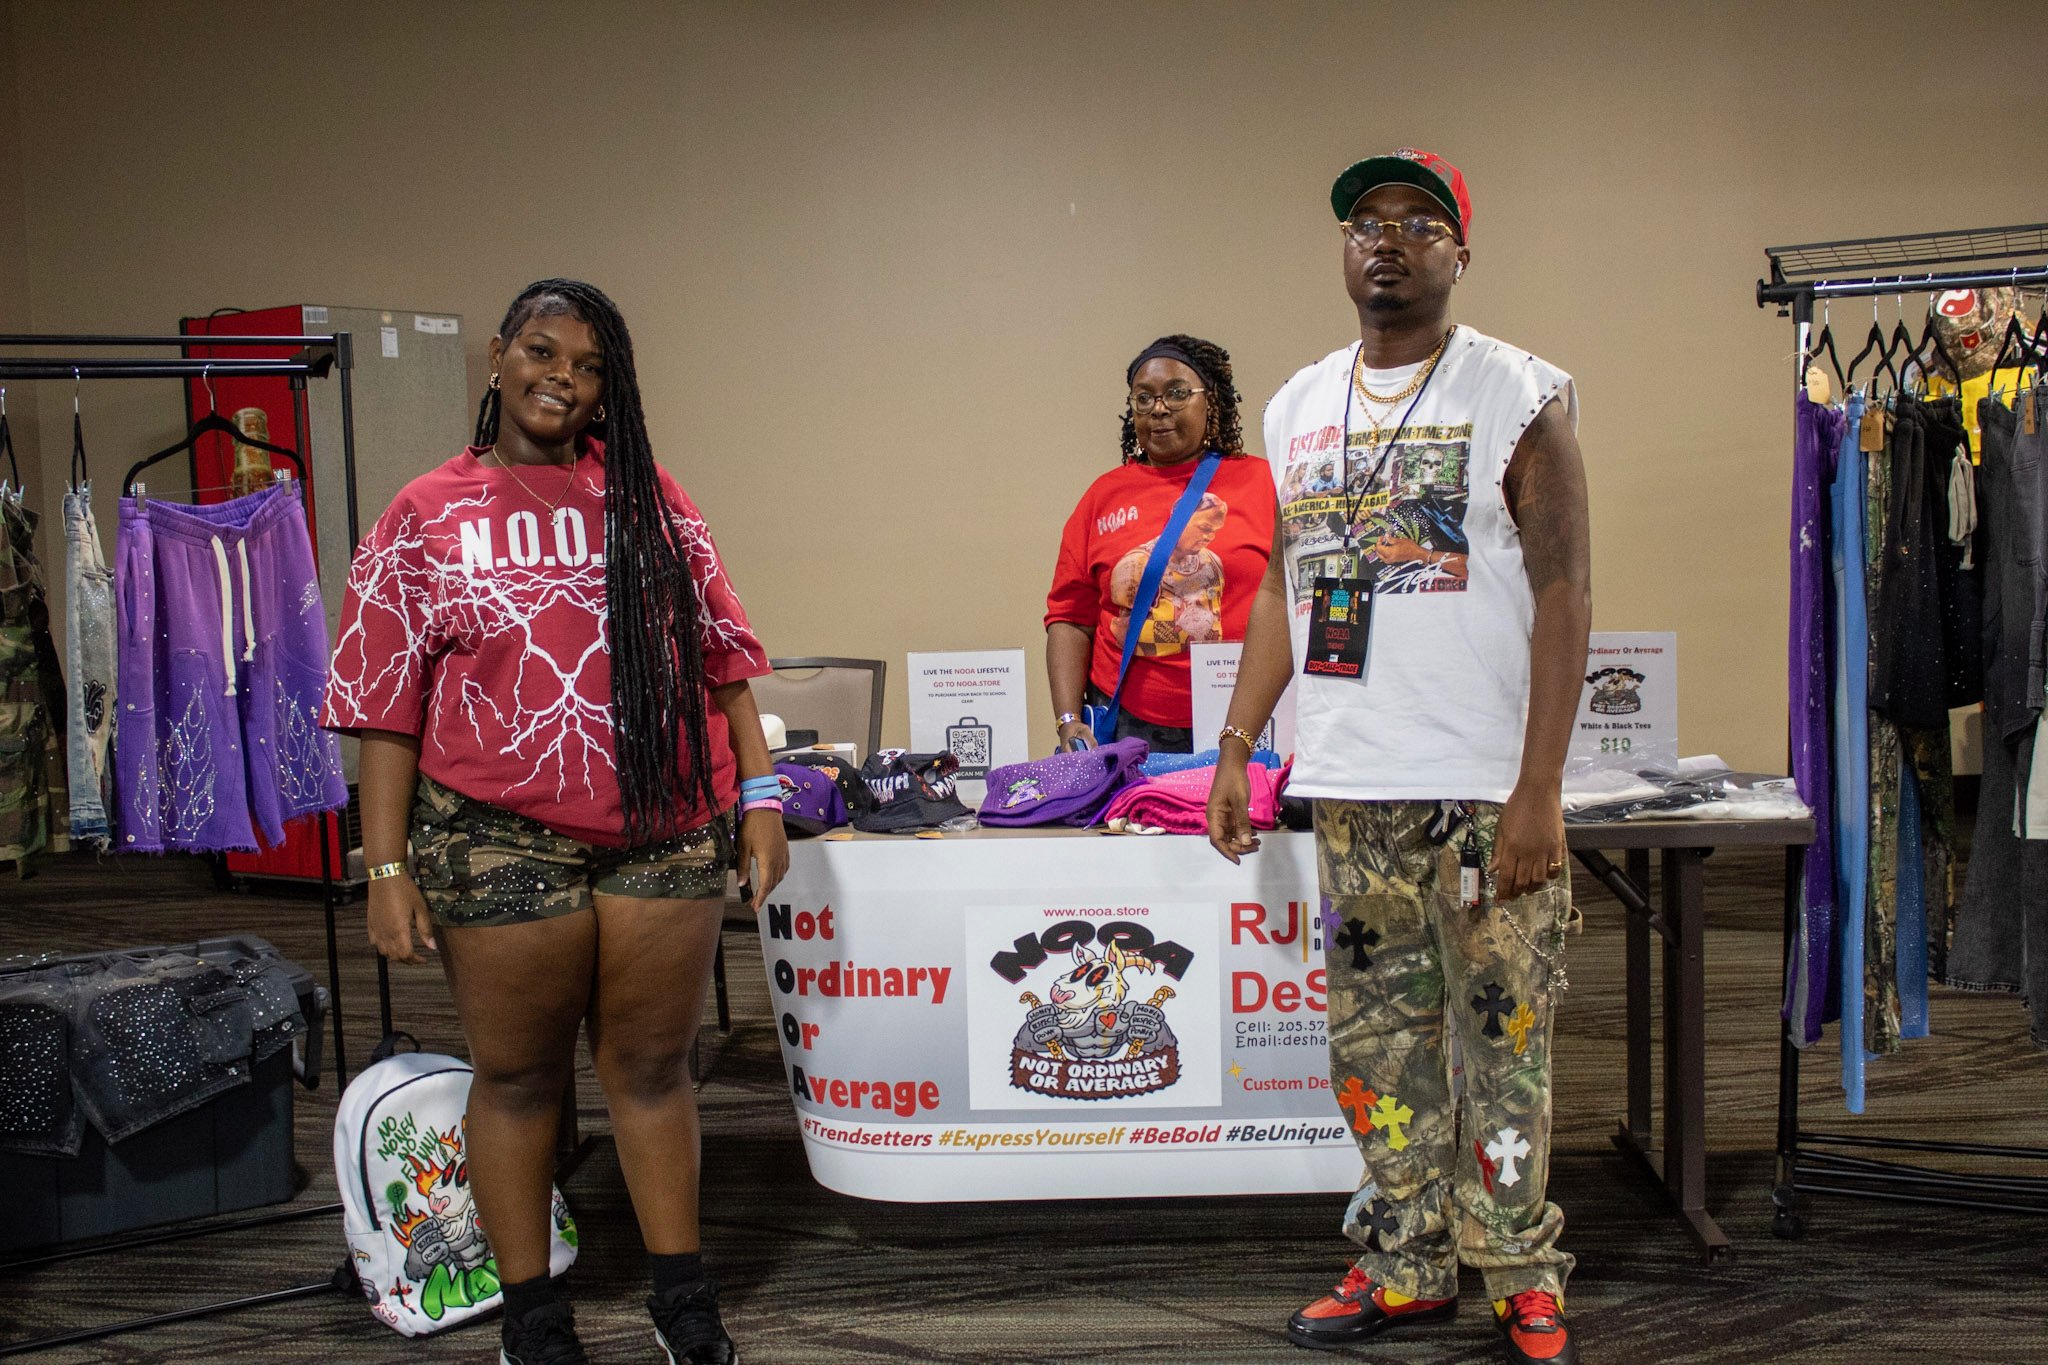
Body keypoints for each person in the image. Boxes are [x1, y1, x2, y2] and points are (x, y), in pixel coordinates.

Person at [323, 279, 787, 1365]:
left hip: (664, 823)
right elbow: (386, 708)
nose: (560, 378)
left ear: (606, 391)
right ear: (498, 357)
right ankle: (531, 1319)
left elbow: (723, 657)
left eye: (587, 367)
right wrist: (384, 866)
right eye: (540, 352)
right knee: (521, 1076)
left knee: (650, 1070)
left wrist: (759, 794)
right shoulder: (425, 511)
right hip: (495, 831)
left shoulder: (649, 498)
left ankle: (683, 1298)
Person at [1206, 150, 1592, 1365]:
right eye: (1364, 223)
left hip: (1483, 792)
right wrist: (1234, 741)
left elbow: (1566, 588)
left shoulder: (1518, 391)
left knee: (1501, 1039)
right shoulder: (1294, 403)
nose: (1386, 241)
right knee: (1375, 1047)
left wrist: (1536, 787)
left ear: (1458, 254)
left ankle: (1519, 1266)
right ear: (1340, 251)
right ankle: (1406, 1259)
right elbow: (1286, 585)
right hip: (1350, 785)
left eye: (1418, 224)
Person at [1046, 335, 1276, 753]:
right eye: (1144, 398)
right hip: (1129, 725)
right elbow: (1070, 616)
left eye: (1177, 393)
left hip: (1245, 717)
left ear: (1213, 402)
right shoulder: (1104, 496)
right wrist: (1068, 720)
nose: (1159, 408)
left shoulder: (1263, 483)